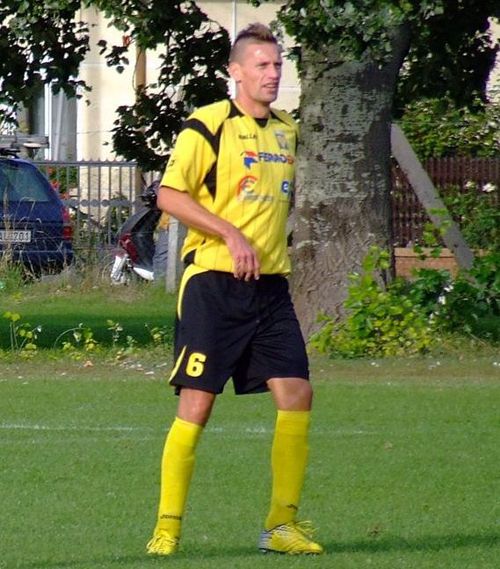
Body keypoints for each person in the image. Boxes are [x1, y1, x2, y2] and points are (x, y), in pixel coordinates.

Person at [146, 22, 324, 556]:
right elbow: (169, 196)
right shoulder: (208, 125)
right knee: (198, 404)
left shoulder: (287, 131)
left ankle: (281, 526)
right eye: (262, 65)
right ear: (236, 72)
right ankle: (167, 529)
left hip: (269, 288)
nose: (272, 74)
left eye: (277, 65)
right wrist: (230, 233)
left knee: (297, 393)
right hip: (213, 285)